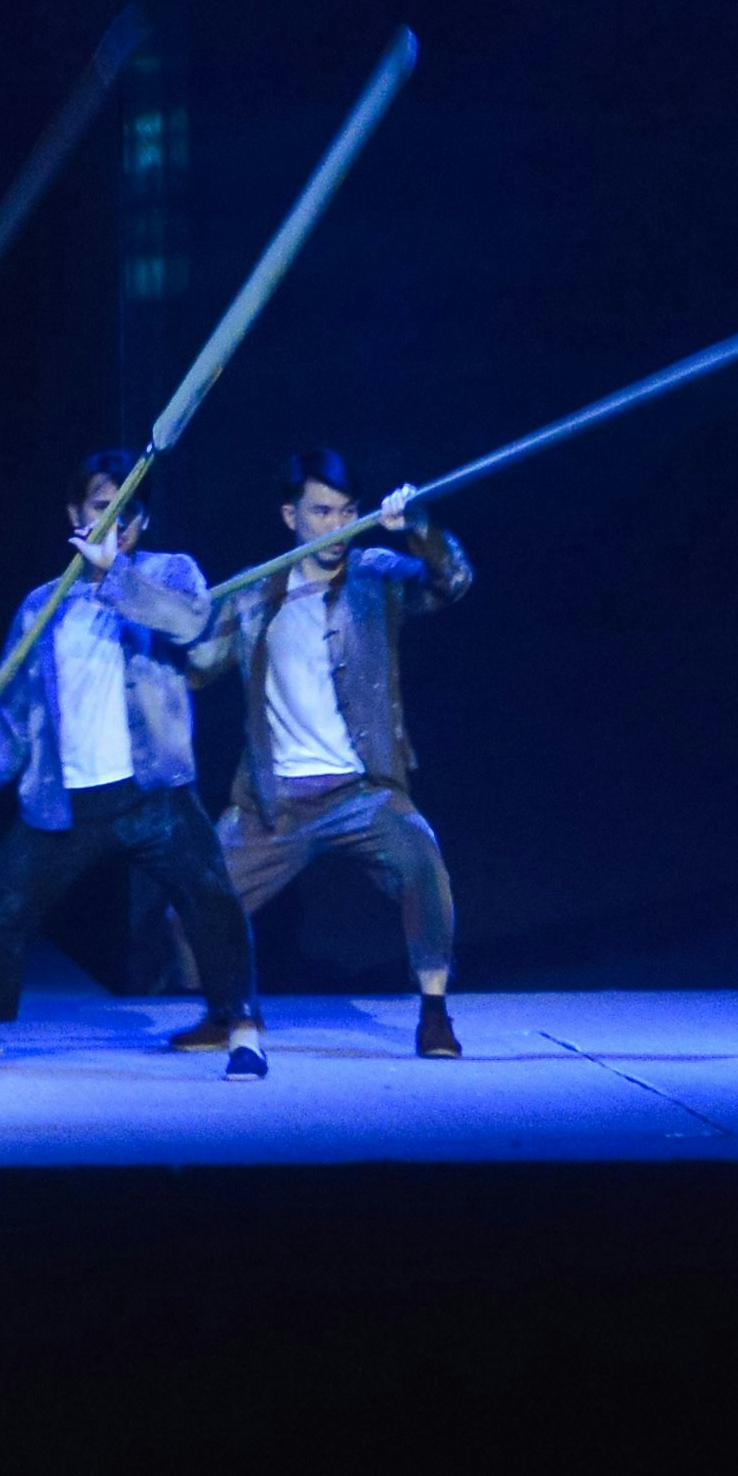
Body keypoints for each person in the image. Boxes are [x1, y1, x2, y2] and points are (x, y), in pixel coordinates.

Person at [0, 453, 269, 1078]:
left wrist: (116, 576)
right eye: (102, 508)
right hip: (64, 801)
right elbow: (12, 722)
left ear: (140, 524)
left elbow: (191, 623)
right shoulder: (42, 606)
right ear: (75, 513)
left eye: (128, 512)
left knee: (211, 900)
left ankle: (243, 1029)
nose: (116, 522)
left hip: (154, 792)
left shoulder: (166, 575)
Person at [194, 449, 474, 1057]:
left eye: (346, 512)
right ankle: (230, 1012)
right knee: (198, 900)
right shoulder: (252, 593)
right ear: (290, 515)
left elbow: (452, 582)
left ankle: (434, 1013)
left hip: (361, 790)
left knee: (423, 862)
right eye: (320, 512)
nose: (334, 527)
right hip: (276, 801)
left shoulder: (375, 576)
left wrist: (419, 526)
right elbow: (196, 667)